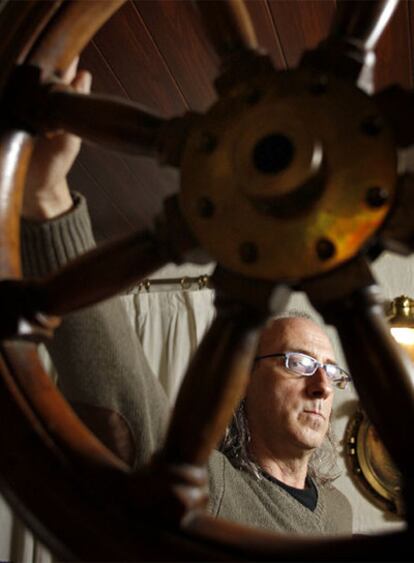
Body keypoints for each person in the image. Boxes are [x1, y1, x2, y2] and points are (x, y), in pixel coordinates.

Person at [20, 62, 353, 536]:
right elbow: (131, 405)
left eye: (332, 372)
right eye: (298, 363)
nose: (323, 387)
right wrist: (47, 197)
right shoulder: (211, 487)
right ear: (242, 382)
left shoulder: (339, 512)